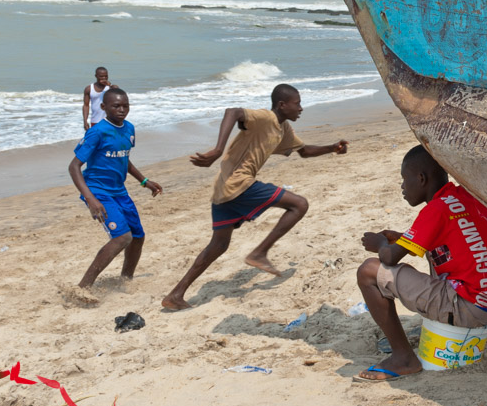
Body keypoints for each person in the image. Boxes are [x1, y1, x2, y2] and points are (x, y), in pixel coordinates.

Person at [162, 83, 347, 311]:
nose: (301, 108)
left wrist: (332, 148)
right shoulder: (265, 118)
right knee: (299, 204)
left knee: (218, 245)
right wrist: (218, 149)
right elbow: (233, 112)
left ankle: (176, 294)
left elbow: (304, 151)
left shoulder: (283, 128)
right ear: (282, 105)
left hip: (223, 189)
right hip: (239, 183)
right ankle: (259, 253)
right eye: (297, 103)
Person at [352, 145, 487, 381]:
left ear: (421, 178)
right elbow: (442, 241)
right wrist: (400, 240)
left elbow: (388, 258)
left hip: (467, 307)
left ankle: (403, 358)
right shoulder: (463, 197)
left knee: (368, 271)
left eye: (404, 180)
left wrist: (379, 244)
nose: (402, 187)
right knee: (433, 250)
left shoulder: (435, 210)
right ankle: (437, 320)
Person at [67, 87, 162, 303]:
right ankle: (82, 288)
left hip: (120, 191)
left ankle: (125, 279)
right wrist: (91, 199)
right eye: (115, 106)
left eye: (125, 106)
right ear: (103, 107)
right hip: (98, 192)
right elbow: (74, 167)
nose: (121, 110)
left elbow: (123, 158)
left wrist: (144, 181)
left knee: (138, 237)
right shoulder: (97, 132)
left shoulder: (129, 128)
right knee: (122, 237)